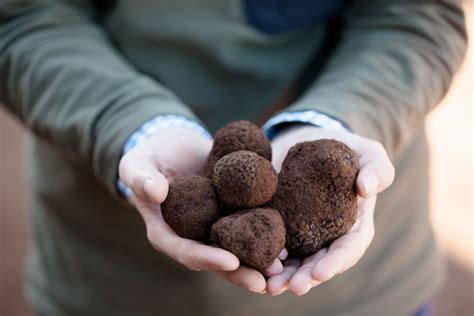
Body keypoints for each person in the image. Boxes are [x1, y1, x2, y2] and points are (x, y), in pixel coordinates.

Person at [0, 0, 467, 315]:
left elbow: (418, 15)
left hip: (365, 295)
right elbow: (21, 17)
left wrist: (334, 126)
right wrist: (133, 125)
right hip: (112, 280)